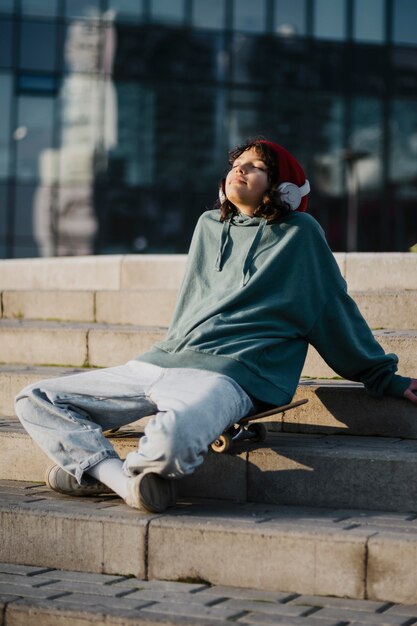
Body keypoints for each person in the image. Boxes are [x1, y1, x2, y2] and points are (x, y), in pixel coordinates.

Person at [15, 138, 417, 514]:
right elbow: (192, 301)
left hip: (232, 374)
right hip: (161, 362)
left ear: (285, 190)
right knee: (34, 397)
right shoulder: (208, 225)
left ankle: (88, 471)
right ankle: (119, 479)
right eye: (237, 165)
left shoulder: (301, 235)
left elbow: (333, 310)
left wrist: (383, 377)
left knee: (171, 442)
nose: (240, 171)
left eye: (256, 167)